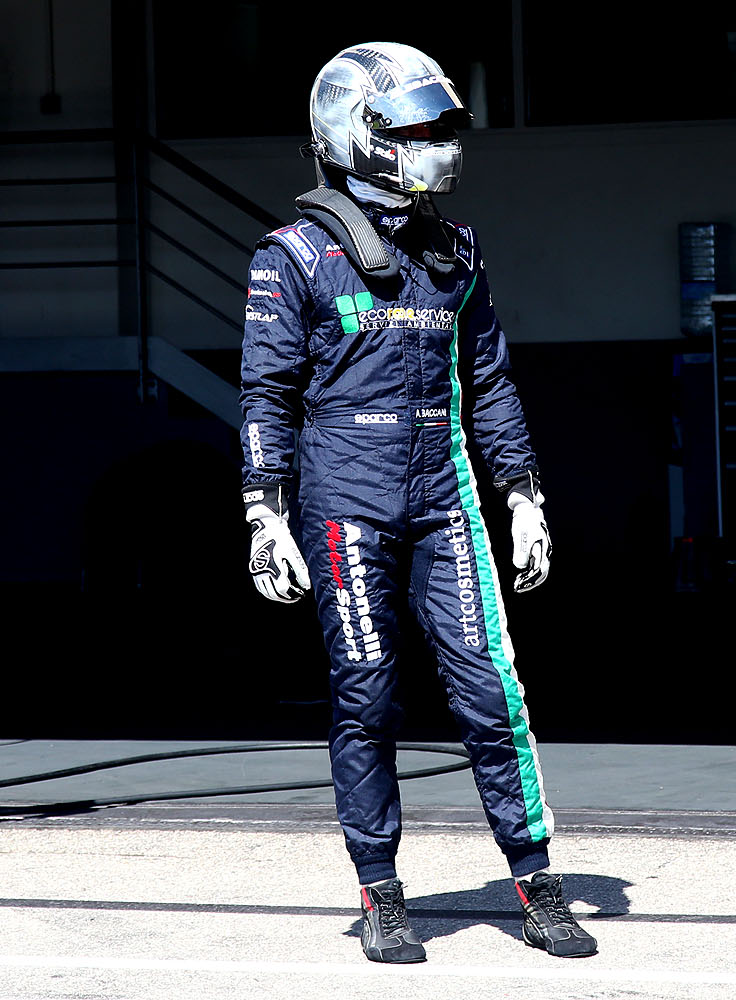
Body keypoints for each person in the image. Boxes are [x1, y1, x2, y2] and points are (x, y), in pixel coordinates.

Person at [238, 41, 596, 963]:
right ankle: (380, 891)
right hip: (341, 499)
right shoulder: (293, 256)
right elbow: (266, 394)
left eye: (444, 126)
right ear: (356, 137)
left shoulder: (456, 250)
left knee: (491, 694)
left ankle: (537, 879)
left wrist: (522, 492)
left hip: (446, 493)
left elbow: (493, 380)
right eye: (419, 128)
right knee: (367, 695)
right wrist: (263, 511)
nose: (442, 143)